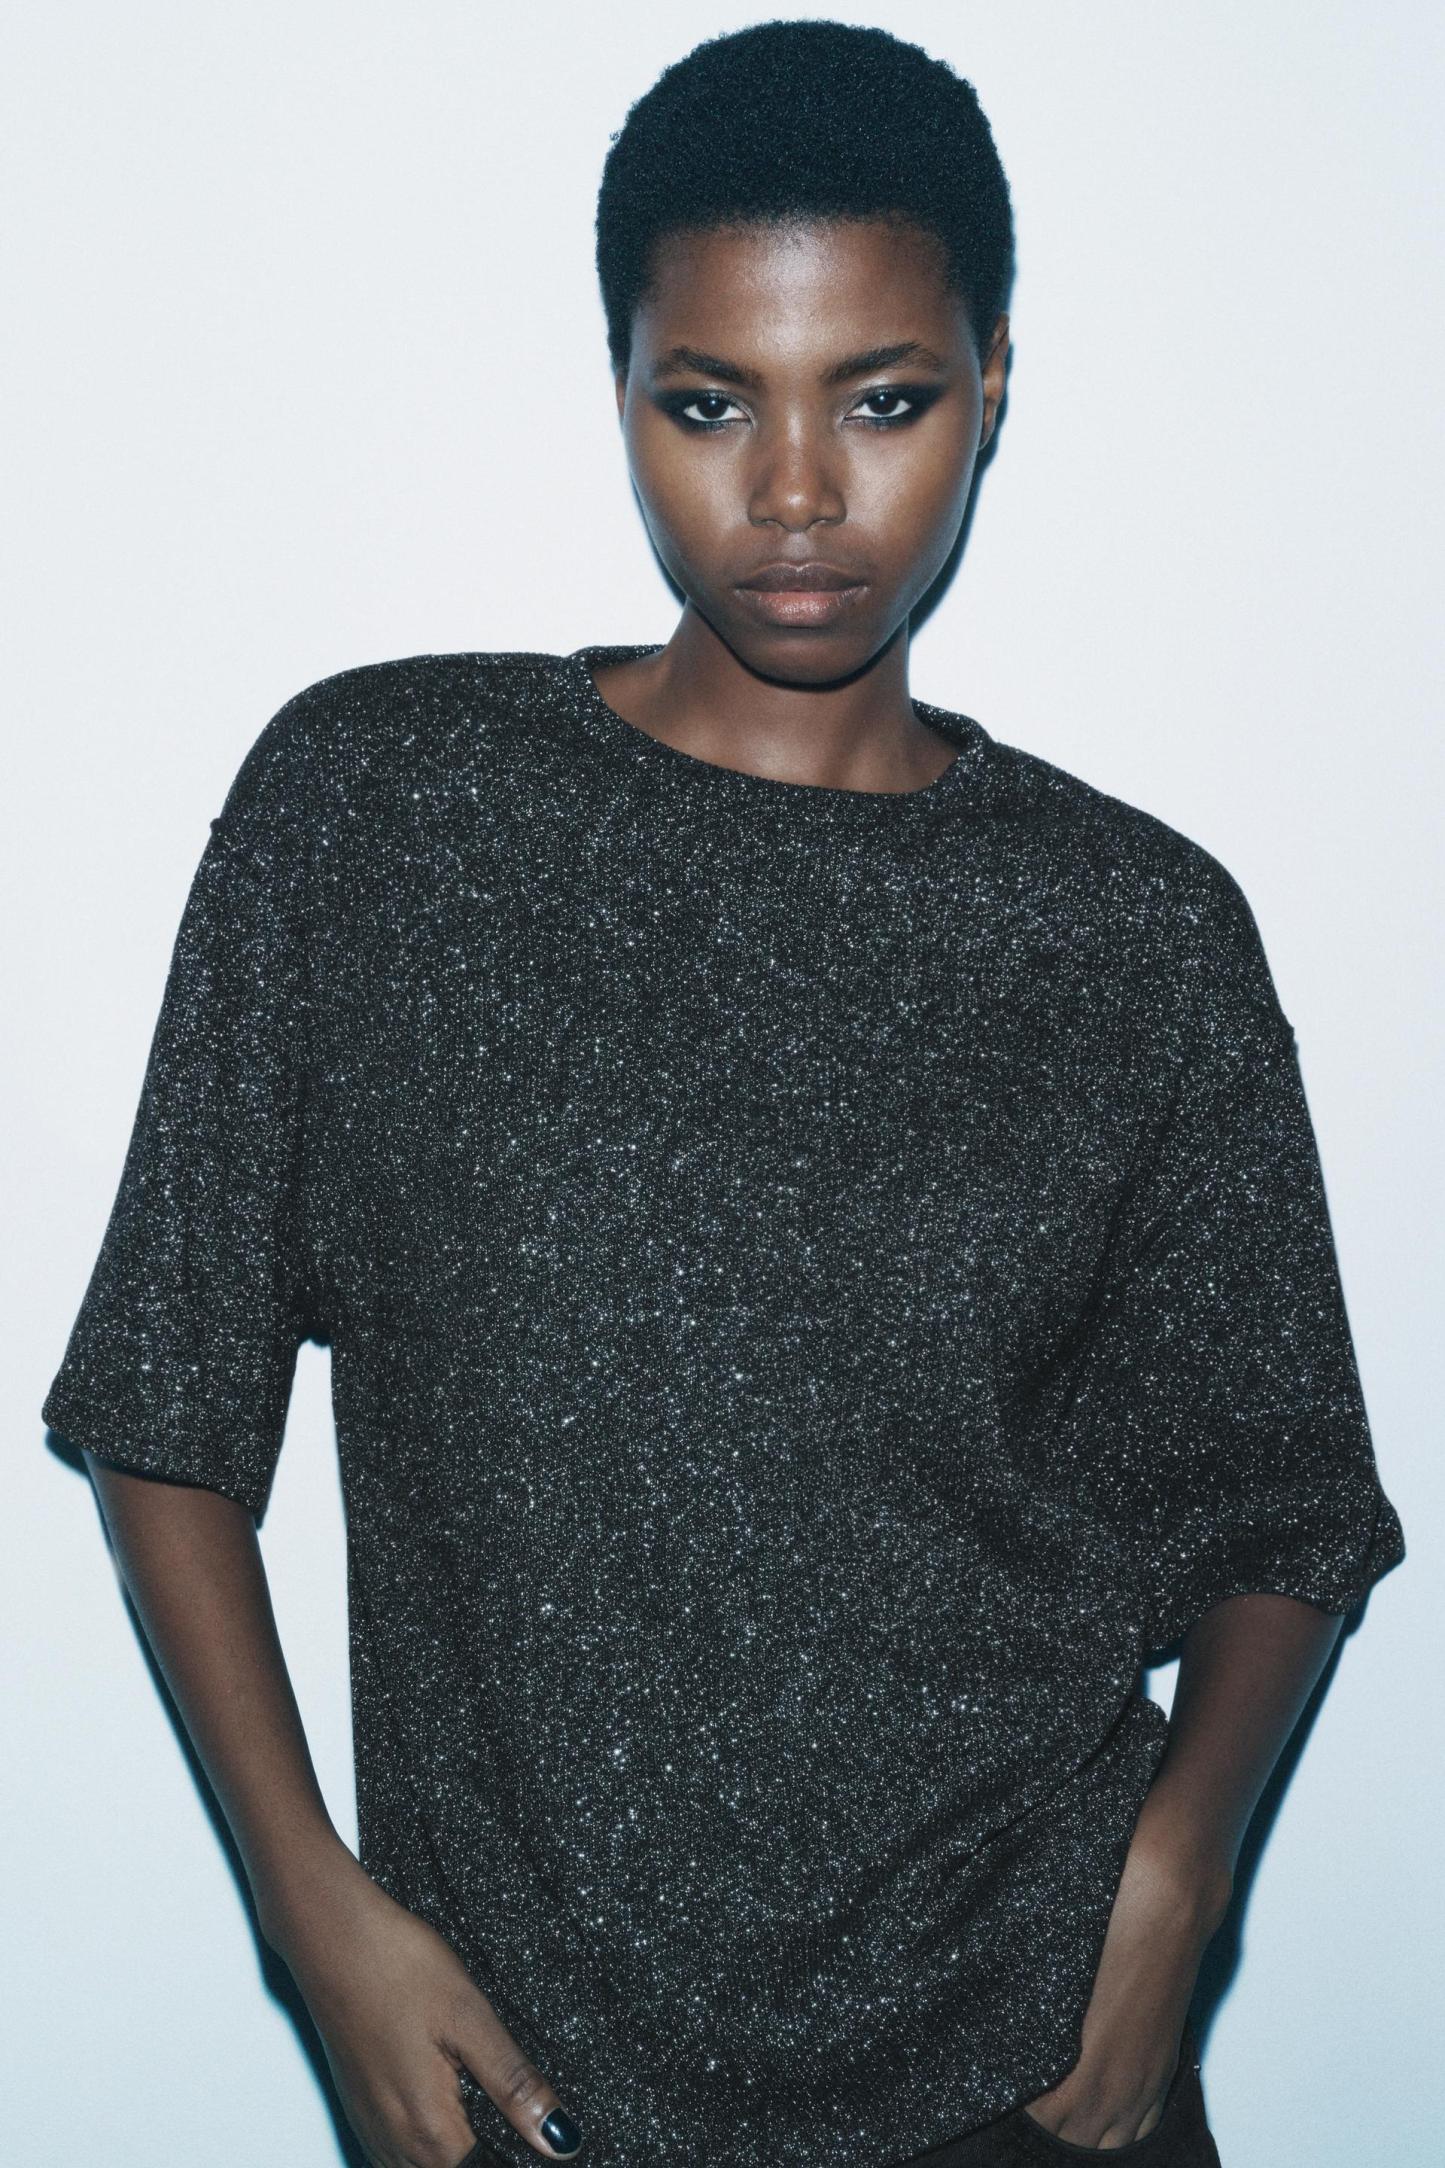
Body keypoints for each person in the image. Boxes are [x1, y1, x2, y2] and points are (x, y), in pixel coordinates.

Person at [41, 20, 1405, 2168]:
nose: (792, 493)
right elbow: (165, 1403)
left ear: (992, 383)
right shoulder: (384, 809)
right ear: (618, 389)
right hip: (526, 2078)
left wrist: (1179, 1879)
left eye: (882, 399)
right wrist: (313, 1914)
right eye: (708, 401)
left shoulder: (1132, 930)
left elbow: (1285, 1498)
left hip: (1022, 2066)